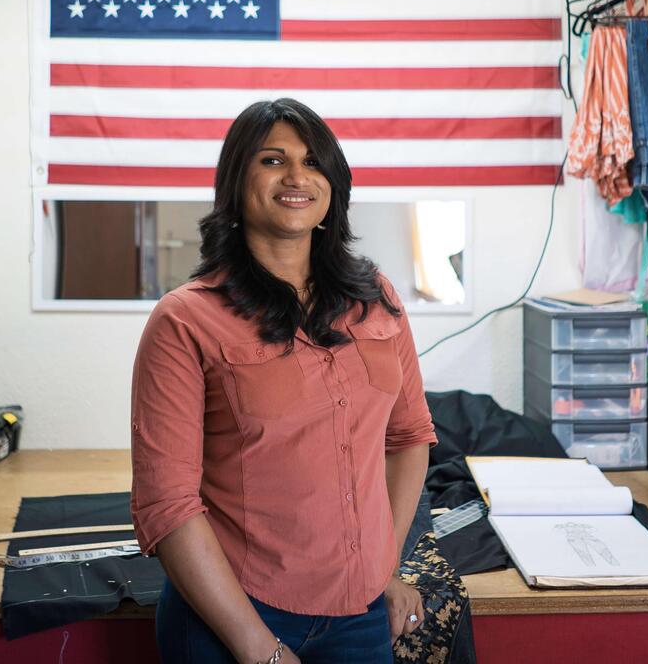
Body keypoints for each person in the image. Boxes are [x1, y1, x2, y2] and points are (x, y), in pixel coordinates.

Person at [131, 98, 439, 663]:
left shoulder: (377, 298)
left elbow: (409, 438)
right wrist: (258, 649)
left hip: (360, 616)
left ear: (332, 187)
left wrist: (382, 566)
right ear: (236, 182)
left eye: (313, 162)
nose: (297, 176)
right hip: (232, 617)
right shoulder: (184, 319)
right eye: (273, 160)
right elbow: (167, 504)